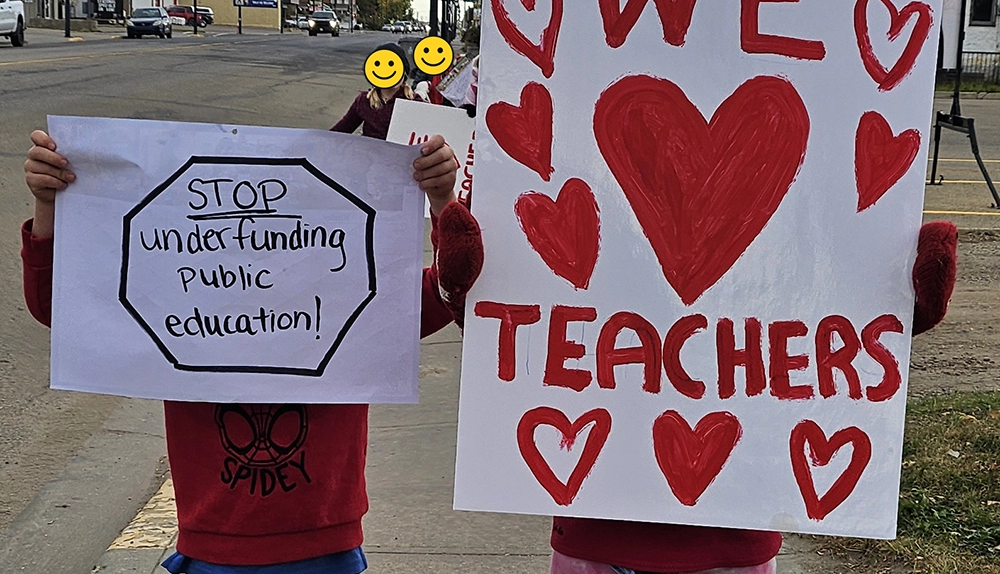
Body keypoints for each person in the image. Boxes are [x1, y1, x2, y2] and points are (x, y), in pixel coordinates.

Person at [21, 128, 484, 573]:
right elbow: (59, 308)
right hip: (214, 538)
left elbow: (449, 287)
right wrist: (49, 205)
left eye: (286, 247)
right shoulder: (181, 301)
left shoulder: (354, 298)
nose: (263, 268)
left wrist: (444, 200)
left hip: (324, 539)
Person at [546, 220, 960, 574]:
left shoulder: (780, 238)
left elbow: (832, 327)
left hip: (726, 535)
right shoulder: (601, 225)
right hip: (603, 532)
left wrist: (890, 303)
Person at [331, 42, 420, 140]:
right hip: (368, 153)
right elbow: (341, 130)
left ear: (404, 73)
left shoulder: (415, 102)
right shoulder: (364, 100)